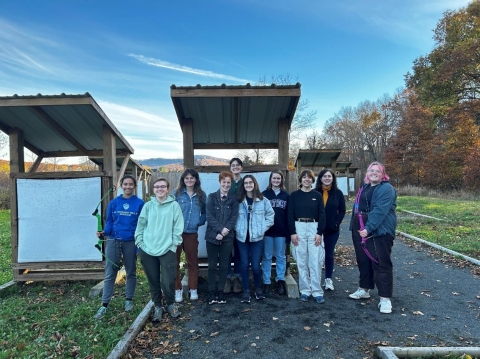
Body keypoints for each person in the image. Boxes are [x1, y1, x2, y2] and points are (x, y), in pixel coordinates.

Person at [348, 161, 397, 314]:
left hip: (379, 230)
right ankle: (364, 289)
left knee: (380, 262)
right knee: (363, 260)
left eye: (377, 171)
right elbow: (357, 207)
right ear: (367, 174)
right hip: (360, 229)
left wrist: (368, 228)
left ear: (383, 174)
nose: (374, 173)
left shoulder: (387, 189)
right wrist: (354, 226)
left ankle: (385, 298)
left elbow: (380, 211)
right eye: (371, 171)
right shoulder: (364, 188)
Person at [94, 175, 144, 319]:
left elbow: (142, 225)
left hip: (131, 241)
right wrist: (105, 232)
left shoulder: (140, 203)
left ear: (134, 186)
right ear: (121, 185)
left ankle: (129, 300)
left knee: (131, 272)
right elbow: (109, 221)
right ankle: (104, 304)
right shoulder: (114, 203)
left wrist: (139, 245)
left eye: (131, 184)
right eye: (125, 184)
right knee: (110, 272)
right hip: (114, 240)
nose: (128, 187)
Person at [135, 178, 184, 320]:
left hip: (167, 248)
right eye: (156, 187)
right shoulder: (148, 206)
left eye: (162, 186)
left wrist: (173, 245)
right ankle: (157, 306)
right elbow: (141, 225)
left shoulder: (174, 206)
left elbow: (178, 227)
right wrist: (140, 242)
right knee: (153, 279)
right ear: (153, 189)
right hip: (147, 248)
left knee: (168, 279)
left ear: (168, 189)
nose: (159, 189)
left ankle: (170, 303)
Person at [288, 169, 326, 304]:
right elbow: (290, 214)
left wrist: (319, 232)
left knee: (315, 261)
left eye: (309, 177)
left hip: (314, 228)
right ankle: (304, 290)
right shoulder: (294, 195)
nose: (306, 179)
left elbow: (322, 214)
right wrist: (292, 232)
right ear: (300, 180)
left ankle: (316, 291)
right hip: (299, 227)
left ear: (312, 180)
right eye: (304, 177)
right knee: (301, 260)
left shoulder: (317, 195)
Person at [236, 175, 274, 303]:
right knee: (244, 264)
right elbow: (233, 218)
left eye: (250, 182)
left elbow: (270, 216)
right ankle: (246, 290)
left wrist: (262, 229)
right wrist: (237, 229)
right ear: (243, 185)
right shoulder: (239, 201)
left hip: (257, 239)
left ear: (254, 184)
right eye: (245, 183)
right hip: (242, 239)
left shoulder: (263, 200)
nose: (248, 185)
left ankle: (258, 289)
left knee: (256, 266)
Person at [172, 169, 207, 302]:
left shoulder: (201, 195)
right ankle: (178, 289)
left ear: (196, 180)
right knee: (174, 262)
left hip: (192, 233)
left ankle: (193, 289)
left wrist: (199, 221)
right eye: (187, 178)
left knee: (192, 262)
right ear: (183, 180)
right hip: (177, 232)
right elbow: (170, 210)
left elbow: (205, 212)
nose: (189, 180)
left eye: (192, 178)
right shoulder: (177, 194)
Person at [205, 171, 239, 305]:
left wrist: (224, 232)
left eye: (228, 182)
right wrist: (219, 230)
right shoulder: (211, 197)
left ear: (231, 184)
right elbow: (209, 216)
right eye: (224, 182)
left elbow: (233, 218)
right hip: (212, 236)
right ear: (220, 182)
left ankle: (221, 292)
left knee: (225, 265)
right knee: (212, 265)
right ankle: (211, 292)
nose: (226, 184)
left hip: (228, 237)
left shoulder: (233, 200)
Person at [314, 169, 346, 291]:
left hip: (332, 230)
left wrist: (337, 223)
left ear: (333, 178)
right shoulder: (315, 192)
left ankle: (328, 279)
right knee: (316, 255)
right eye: (324, 176)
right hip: (316, 230)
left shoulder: (338, 193)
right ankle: (315, 279)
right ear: (320, 178)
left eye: (329, 176)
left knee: (329, 255)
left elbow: (342, 210)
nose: (327, 178)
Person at [261, 170, 290, 295]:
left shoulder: (286, 195)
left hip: (281, 231)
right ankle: (266, 281)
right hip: (267, 231)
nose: (276, 180)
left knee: (280, 256)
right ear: (270, 179)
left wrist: (289, 232)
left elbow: (289, 215)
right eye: (274, 178)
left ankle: (280, 280)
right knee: (267, 256)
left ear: (281, 180)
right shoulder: (264, 194)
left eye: (278, 178)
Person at [224, 157, 244, 294]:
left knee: (239, 252)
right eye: (233, 165)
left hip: (242, 221)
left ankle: (237, 278)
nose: (235, 167)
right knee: (226, 253)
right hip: (228, 221)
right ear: (230, 168)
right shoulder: (227, 182)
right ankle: (226, 279)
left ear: (241, 168)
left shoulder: (245, 182)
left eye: (237, 165)